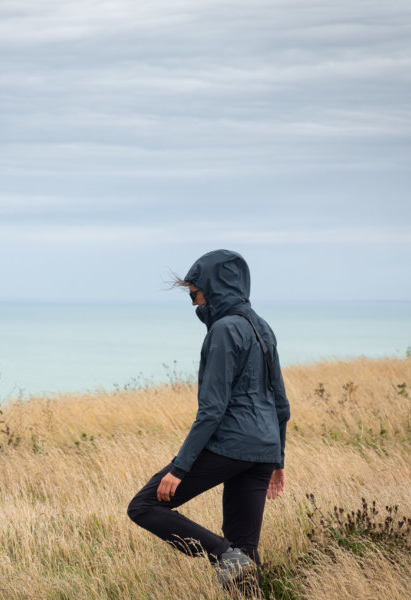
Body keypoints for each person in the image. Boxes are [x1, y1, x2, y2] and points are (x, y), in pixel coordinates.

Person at [127, 249, 290, 593]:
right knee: (244, 552)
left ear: (215, 287)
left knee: (143, 506)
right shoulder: (262, 327)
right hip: (263, 450)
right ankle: (232, 559)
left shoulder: (224, 331)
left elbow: (212, 409)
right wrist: (278, 459)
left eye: (194, 292)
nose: (192, 302)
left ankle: (219, 552)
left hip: (232, 443)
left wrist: (180, 468)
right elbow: (281, 404)